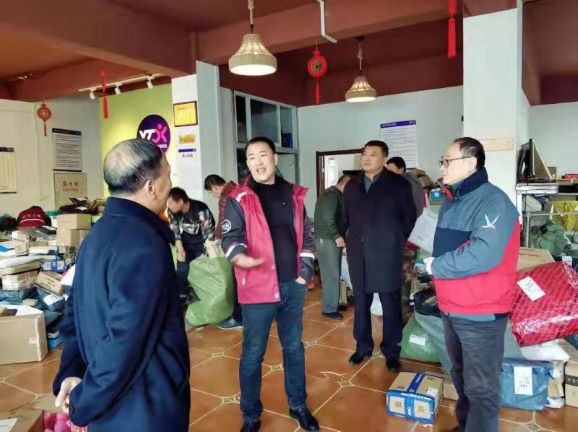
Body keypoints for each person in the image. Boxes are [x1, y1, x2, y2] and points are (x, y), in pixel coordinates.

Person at [52, 139, 190, 431]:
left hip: (107, 400)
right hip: (142, 405)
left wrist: (73, 371)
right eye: (168, 175)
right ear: (151, 187)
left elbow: (74, 310)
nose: (170, 183)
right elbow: (125, 340)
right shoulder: (145, 244)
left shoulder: (96, 234)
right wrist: (84, 402)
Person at [221, 137, 319, 432]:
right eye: (251, 157)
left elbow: (307, 234)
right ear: (247, 163)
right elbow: (229, 237)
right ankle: (250, 415)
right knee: (253, 354)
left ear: (275, 158)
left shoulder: (294, 193)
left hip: (292, 285)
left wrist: (304, 272)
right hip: (258, 288)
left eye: (263, 155)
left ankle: (298, 405)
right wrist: (240, 256)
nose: (258, 162)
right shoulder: (239, 197)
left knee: (294, 348)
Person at [424, 138, 520, 432]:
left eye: (447, 161)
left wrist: (436, 266)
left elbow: (483, 254)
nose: (442, 167)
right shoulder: (452, 200)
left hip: (480, 312)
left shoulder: (494, 201)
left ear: (470, 163)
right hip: (452, 307)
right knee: (461, 375)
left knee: (481, 388)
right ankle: (467, 426)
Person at [343, 140, 416, 371]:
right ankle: (362, 346)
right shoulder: (352, 185)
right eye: (364, 154)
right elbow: (344, 217)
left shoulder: (398, 184)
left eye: (373, 154)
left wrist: (393, 239)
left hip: (386, 253)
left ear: (384, 158)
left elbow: (409, 218)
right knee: (361, 302)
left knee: (390, 303)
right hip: (359, 253)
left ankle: (391, 351)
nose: (366, 158)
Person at [203, 174, 243, 330]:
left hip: (236, 242)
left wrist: (214, 239)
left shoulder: (226, 196)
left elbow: (223, 222)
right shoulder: (239, 189)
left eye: (211, 192)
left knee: (236, 281)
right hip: (249, 242)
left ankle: (238, 318)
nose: (213, 196)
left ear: (214, 187)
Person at [167, 187, 215, 304]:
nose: (169, 206)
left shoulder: (200, 210)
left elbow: (209, 235)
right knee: (182, 269)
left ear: (180, 201)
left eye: (171, 203)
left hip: (203, 243)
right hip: (186, 242)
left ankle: (203, 294)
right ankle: (183, 294)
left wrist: (209, 253)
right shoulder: (172, 211)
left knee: (203, 270)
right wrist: (180, 248)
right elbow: (175, 232)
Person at [313, 174, 351, 320]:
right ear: (345, 185)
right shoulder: (331, 195)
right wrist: (337, 236)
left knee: (335, 274)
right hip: (327, 240)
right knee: (331, 275)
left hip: (330, 240)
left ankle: (333, 304)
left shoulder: (336, 195)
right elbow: (328, 217)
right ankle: (329, 309)